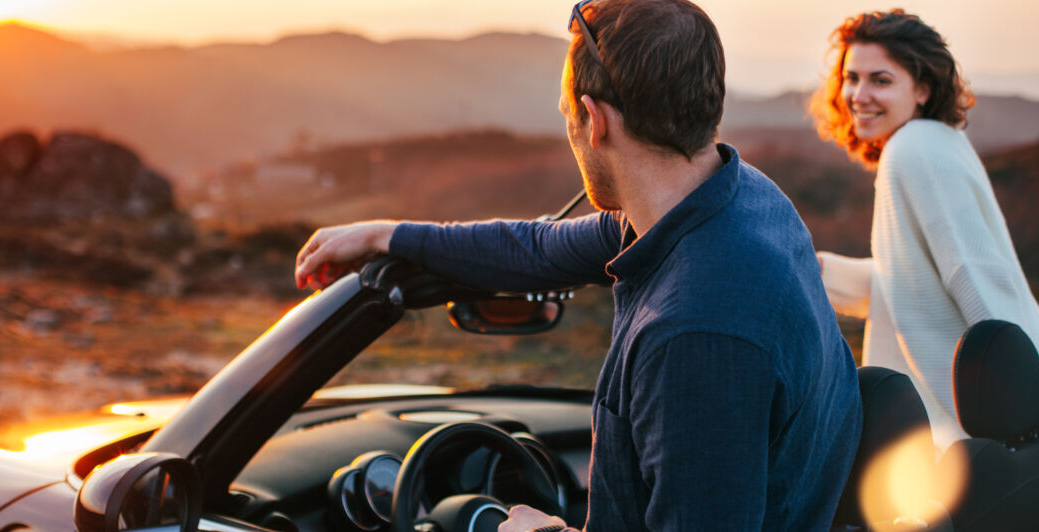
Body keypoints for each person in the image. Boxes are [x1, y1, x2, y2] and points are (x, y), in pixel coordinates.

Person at [296, 0, 861, 529]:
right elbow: (540, 249)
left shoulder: (695, 334)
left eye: (568, 114)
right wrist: (390, 235)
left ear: (595, 120)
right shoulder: (740, 199)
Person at [808, 9, 1039, 454]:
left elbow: (973, 272)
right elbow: (911, 279)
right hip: (983, 429)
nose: (858, 94)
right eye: (851, 78)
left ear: (923, 89)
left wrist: (1035, 401)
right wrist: (808, 269)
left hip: (994, 433)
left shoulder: (914, 149)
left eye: (881, 80)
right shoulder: (936, 142)